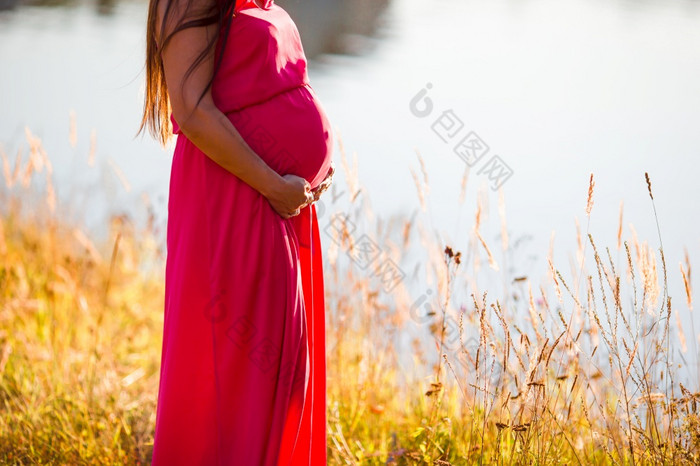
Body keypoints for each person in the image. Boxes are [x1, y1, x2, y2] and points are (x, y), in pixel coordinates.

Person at [137, 0, 334, 463]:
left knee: (282, 371)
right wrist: (273, 183)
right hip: (235, 199)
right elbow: (192, 109)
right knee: (237, 377)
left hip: (277, 201)